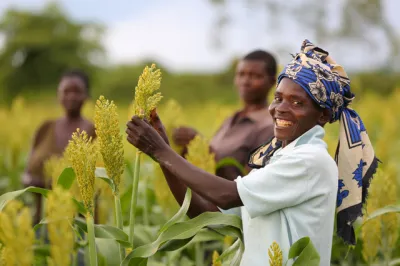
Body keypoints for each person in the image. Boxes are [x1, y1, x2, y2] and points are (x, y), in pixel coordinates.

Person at [126, 40, 379, 265]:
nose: (281, 108)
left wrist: (160, 151)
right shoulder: (277, 156)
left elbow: (227, 195)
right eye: (279, 98)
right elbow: (206, 213)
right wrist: (163, 154)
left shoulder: (309, 160)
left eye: (297, 103)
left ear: (323, 115)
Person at [173, 50, 277, 180]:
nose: (245, 81)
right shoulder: (231, 119)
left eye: (255, 76)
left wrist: (204, 149)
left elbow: (250, 183)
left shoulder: (270, 127)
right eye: (241, 75)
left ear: (273, 82)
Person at [23, 69, 96, 225]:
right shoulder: (45, 128)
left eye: (77, 91)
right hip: (42, 222)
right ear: (58, 95)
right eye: (66, 91)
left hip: (80, 225)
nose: (71, 96)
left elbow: (102, 179)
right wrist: (31, 181)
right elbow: (27, 172)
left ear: (86, 95)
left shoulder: (95, 131)